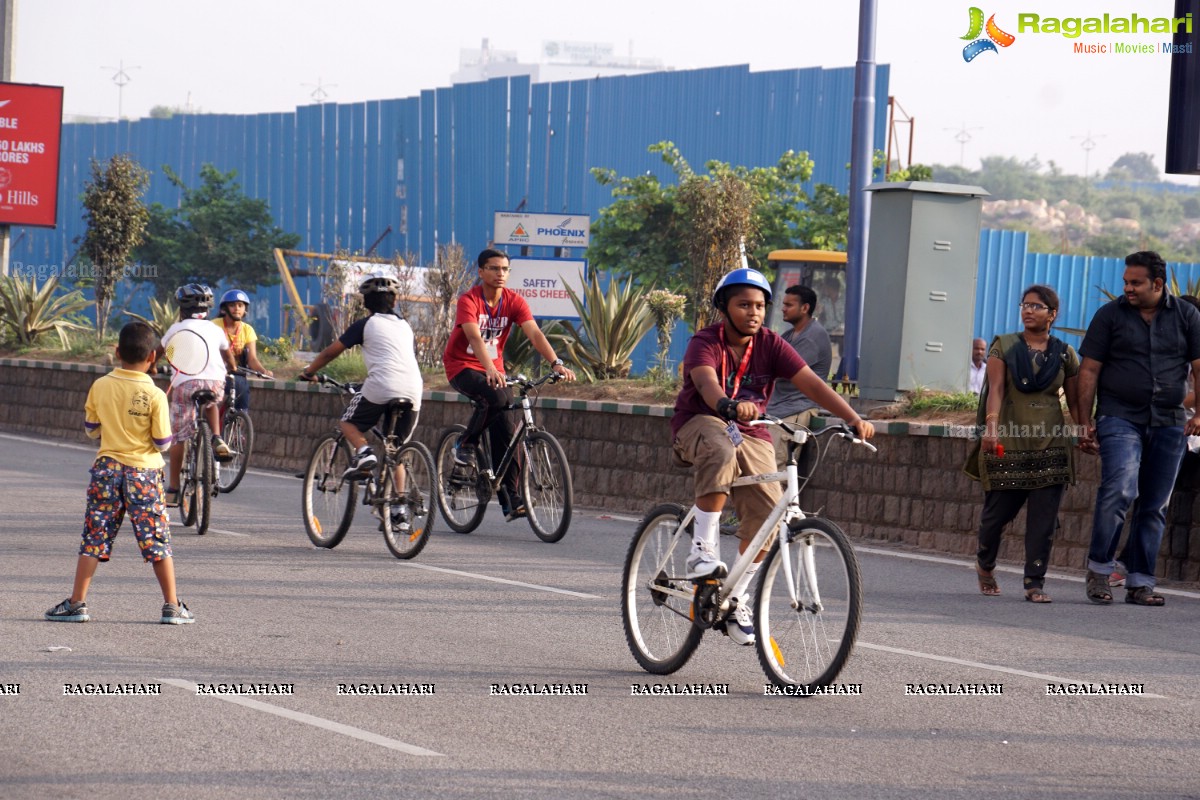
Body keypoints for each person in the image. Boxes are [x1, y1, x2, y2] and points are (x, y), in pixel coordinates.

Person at [671, 267, 874, 646]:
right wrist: (726, 404)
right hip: (701, 420)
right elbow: (704, 381)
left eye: (761, 306)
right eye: (744, 305)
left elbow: (811, 384)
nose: (754, 312)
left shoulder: (770, 343)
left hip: (752, 431)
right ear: (724, 307)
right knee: (720, 447)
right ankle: (702, 551)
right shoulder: (706, 340)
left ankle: (734, 599)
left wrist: (852, 417)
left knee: (769, 515)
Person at [45, 321, 194, 624]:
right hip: (145, 475)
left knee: (95, 536)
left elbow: (91, 430)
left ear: (116, 352)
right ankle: (172, 605)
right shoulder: (154, 395)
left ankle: (77, 602)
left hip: (107, 470)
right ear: (153, 357)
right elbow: (163, 443)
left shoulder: (100, 385)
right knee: (156, 539)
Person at [1076, 251, 1200, 606]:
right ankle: (1100, 571)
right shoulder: (1109, 316)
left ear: (1158, 284)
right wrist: (1084, 423)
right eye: (1125, 282)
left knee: (1155, 503)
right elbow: (1088, 370)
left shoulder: (1187, 316)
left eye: (1135, 283)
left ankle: (1140, 582)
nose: (1127, 288)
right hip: (1119, 416)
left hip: (1169, 421)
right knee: (1119, 488)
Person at [964, 285, 1080, 603]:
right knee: (996, 516)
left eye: (1037, 306)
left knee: (1043, 522)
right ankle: (985, 565)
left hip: (1051, 443)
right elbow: (996, 390)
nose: (1028, 310)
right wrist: (991, 428)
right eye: (1025, 304)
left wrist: (1086, 431)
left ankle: (1034, 583)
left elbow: (1075, 402)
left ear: (1052, 315)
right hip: (1009, 440)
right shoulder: (1004, 346)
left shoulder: (1065, 354)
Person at [441, 248, 576, 521]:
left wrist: (555, 363)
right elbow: (475, 338)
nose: (500, 274)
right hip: (463, 367)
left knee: (507, 430)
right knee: (497, 400)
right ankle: (465, 444)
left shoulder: (514, 301)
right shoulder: (469, 300)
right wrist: (489, 367)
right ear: (481, 272)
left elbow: (535, 333)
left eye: (504, 269)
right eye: (493, 268)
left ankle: (511, 500)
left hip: (495, 372)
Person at [300, 273, 424, 529]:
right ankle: (399, 512)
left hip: (381, 385)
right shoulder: (405, 326)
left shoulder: (366, 324)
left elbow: (329, 352)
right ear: (395, 300)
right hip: (412, 389)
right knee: (396, 452)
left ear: (365, 302)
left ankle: (364, 452)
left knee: (348, 423)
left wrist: (309, 372)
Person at [162, 284, 238, 507]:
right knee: (212, 402)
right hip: (214, 381)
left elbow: (161, 352)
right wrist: (232, 367)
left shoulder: (175, 329)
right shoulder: (215, 330)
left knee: (179, 436)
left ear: (181, 308)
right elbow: (228, 356)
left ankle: (174, 489)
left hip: (186, 384)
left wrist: (155, 367)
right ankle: (216, 437)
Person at [764, 284, 833, 470]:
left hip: (794, 413)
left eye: (789, 305)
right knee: (761, 473)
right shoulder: (789, 335)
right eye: (783, 304)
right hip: (777, 412)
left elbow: (779, 369)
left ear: (805, 308)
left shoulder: (812, 337)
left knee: (775, 474)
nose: (783, 308)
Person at [213, 288, 273, 410]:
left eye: (240, 305)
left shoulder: (248, 330)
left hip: (236, 373)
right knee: (213, 401)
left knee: (242, 392)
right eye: (232, 305)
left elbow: (252, 359)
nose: (237, 308)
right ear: (224, 309)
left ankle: (238, 423)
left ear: (245, 310)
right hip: (215, 371)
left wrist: (263, 371)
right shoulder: (214, 325)